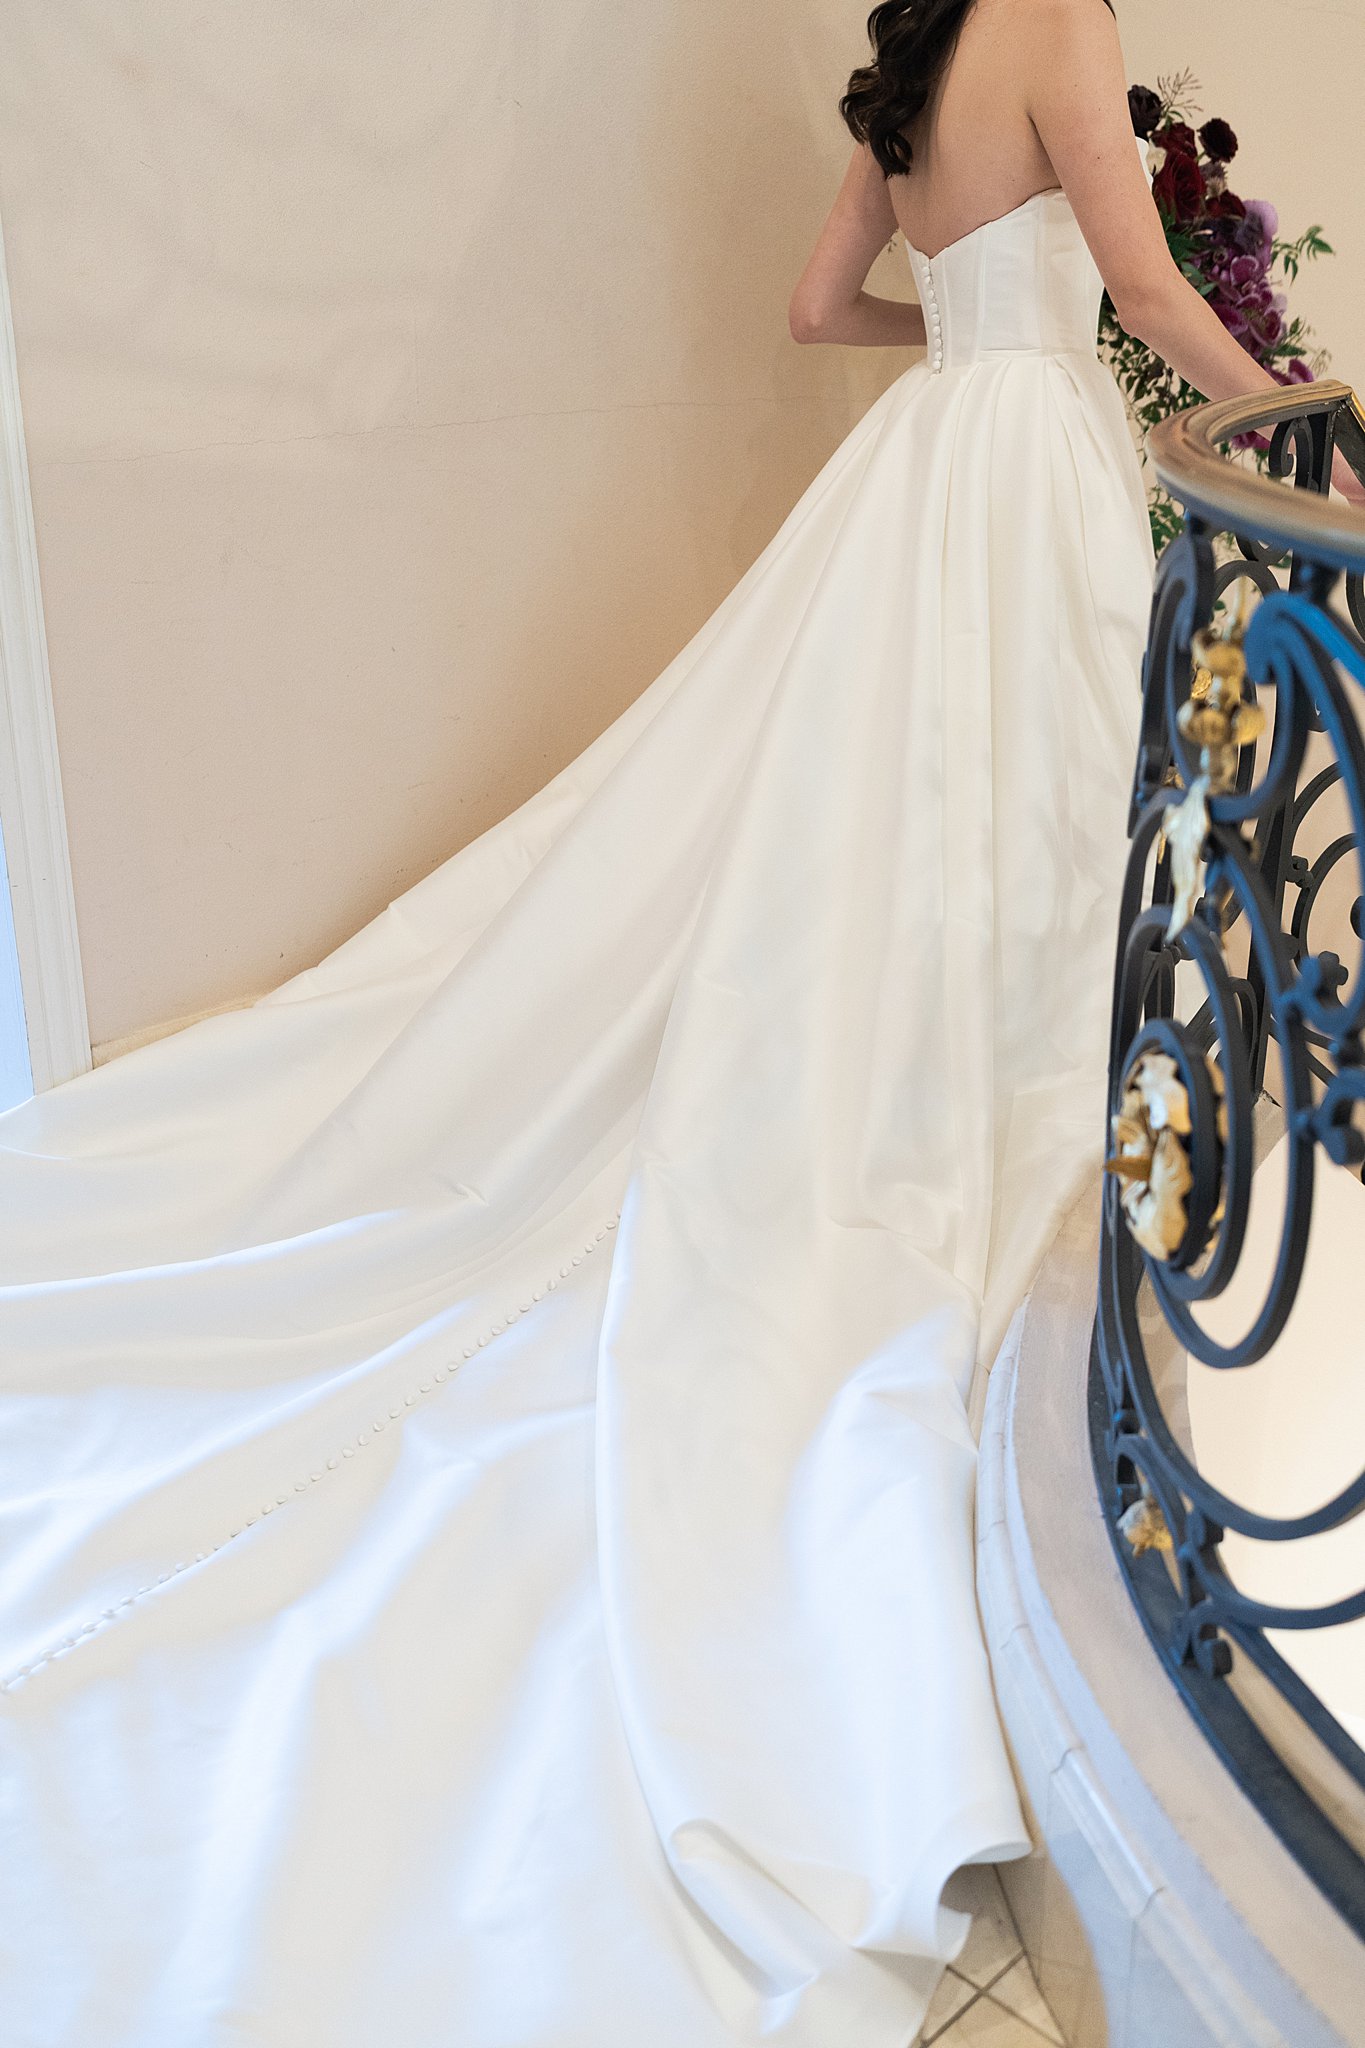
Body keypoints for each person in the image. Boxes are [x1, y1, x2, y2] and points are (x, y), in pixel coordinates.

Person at [0, 4, 1350, 2045]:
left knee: (898, 831)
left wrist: (975, 351)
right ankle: (1045, 1148)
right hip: (1021, 464)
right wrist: (1301, 410)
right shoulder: (1063, 24)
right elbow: (1144, 277)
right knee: (1039, 808)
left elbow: (823, 307)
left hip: (927, 462)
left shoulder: (916, 70)